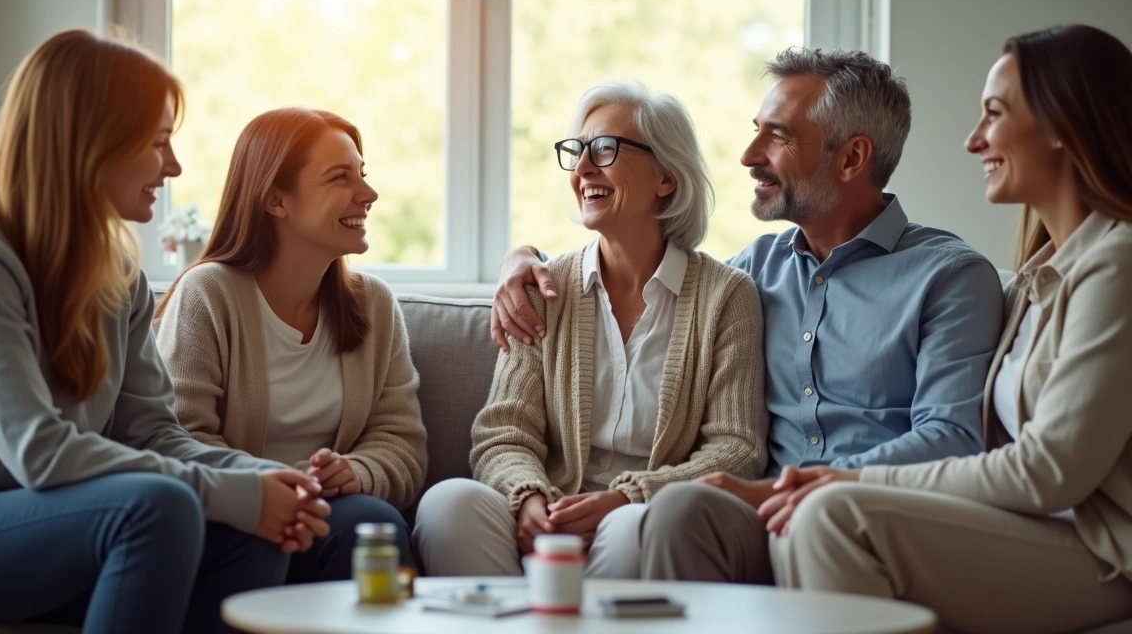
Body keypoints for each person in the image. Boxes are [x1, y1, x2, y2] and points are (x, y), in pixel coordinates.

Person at [492, 48, 1005, 584]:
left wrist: (798, 488)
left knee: (686, 510)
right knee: (682, 510)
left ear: (852, 158)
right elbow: (648, 267)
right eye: (756, 130)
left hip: (872, 517)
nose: (748, 154)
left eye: (778, 136)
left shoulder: (949, 277)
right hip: (758, 520)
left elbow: (951, 438)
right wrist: (521, 259)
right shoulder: (752, 272)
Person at [0, 30, 330, 634]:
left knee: (258, 533)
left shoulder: (118, 272)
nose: (174, 166)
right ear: (93, 141)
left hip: (62, 521)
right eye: (158, 142)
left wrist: (257, 480)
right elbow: (42, 452)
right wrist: (231, 494)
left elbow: (153, 432)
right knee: (156, 508)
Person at [762, 24, 1132, 633]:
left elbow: (1048, 470)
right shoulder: (1034, 283)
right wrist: (545, 263)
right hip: (1040, 532)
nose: (973, 140)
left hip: (1105, 552)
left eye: (993, 114)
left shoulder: (1117, 267)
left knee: (830, 514)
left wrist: (853, 476)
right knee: (818, 513)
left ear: (1064, 125)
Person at [412, 81, 769, 579]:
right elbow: (503, 432)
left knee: (631, 526)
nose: (582, 170)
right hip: (550, 508)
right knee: (448, 503)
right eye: (576, 152)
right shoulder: (542, 287)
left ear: (666, 176)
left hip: (643, 513)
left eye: (604, 149)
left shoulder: (726, 296)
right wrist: (529, 498)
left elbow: (737, 448)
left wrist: (626, 497)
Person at [155, 107, 427, 582]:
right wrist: (277, 487)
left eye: (362, 174)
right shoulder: (209, 294)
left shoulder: (375, 305)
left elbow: (402, 443)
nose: (369, 194)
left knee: (372, 523)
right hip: (233, 520)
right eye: (340, 178)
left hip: (329, 519)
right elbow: (178, 438)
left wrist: (357, 473)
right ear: (277, 200)